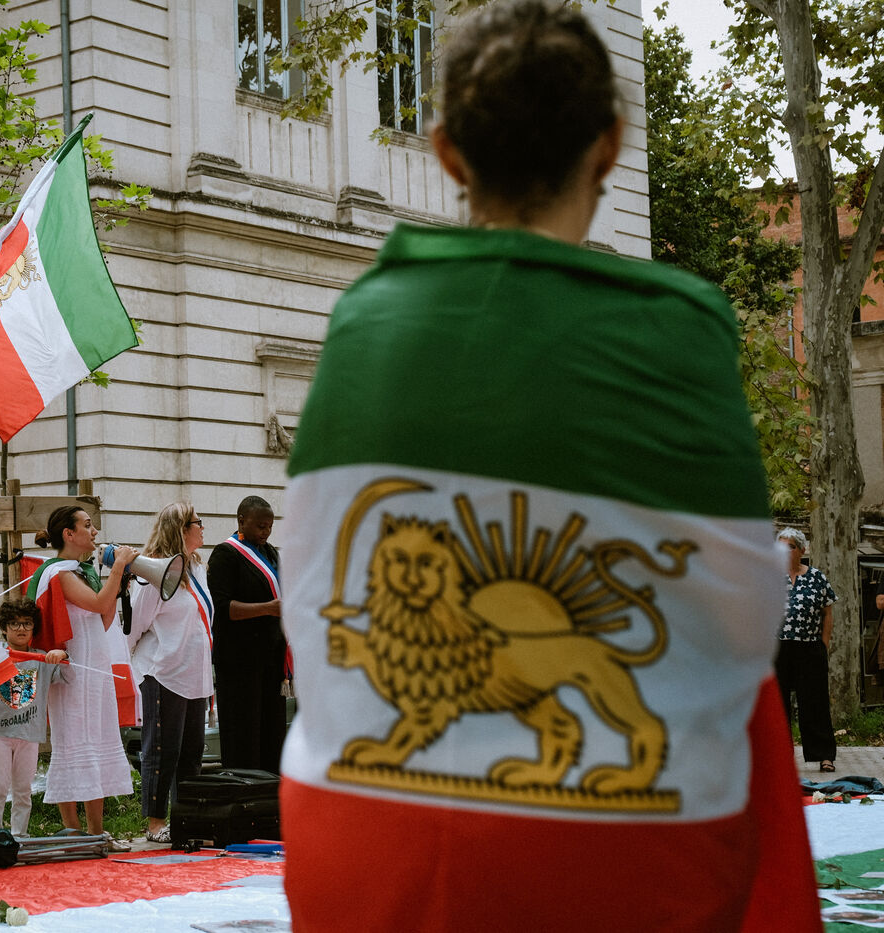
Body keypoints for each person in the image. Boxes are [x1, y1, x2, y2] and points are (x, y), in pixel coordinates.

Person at [276, 3, 818, 930]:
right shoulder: (682, 333)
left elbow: (312, 581)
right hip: (635, 862)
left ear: (447, 152)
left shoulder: (362, 321)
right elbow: (741, 618)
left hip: (362, 854)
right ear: (609, 146)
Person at [26, 506, 134, 845]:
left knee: (97, 742)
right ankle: (74, 832)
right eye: (87, 525)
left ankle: (96, 832)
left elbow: (104, 618)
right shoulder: (59, 573)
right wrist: (118, 567)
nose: (95, 531)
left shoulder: (82, 572)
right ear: (68, 534)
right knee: (74, 745)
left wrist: (118, 580)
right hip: (72, 670)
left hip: (95, 665)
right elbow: (100, 603)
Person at [126, 502, 213, 844]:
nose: (203, 527)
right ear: (181, 529)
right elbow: (134, 627)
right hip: (163, 673)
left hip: (194, 674)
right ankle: (154, 823)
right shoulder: (154, 572)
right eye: (197, 522)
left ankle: (186, 819)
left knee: (191, 752)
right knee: (163, 751)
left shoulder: (197, 568)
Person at [0, 599, 68, 836]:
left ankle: (19, 837)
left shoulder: (43, 659)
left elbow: (69, 676)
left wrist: (63, 654)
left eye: (27, 623)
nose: (21, 628)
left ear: (34, 628)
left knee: (23, 790)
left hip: (29, 733)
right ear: (4, 628)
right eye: (14, 624)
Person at [206, 496, 284, 773]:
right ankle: (244, 788)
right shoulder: (225, 554)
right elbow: (222, 608)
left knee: (272, 733)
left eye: (270, 526)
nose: (266, 531)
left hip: (271, 658)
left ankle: (270, 789)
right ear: (242, 521)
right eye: (261, 526)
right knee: (244, 732)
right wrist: (269, 608)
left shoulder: (271, 553)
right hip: (239, 661)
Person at [775, 528, 836, 773]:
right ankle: (780, 757)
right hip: (777, 648)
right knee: (778, 704)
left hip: (809, 647)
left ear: (801, 550)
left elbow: (827, 612)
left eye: (789, 547)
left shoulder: (816, 577)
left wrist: (823, 644)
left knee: (814, 702)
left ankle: (824, 755)